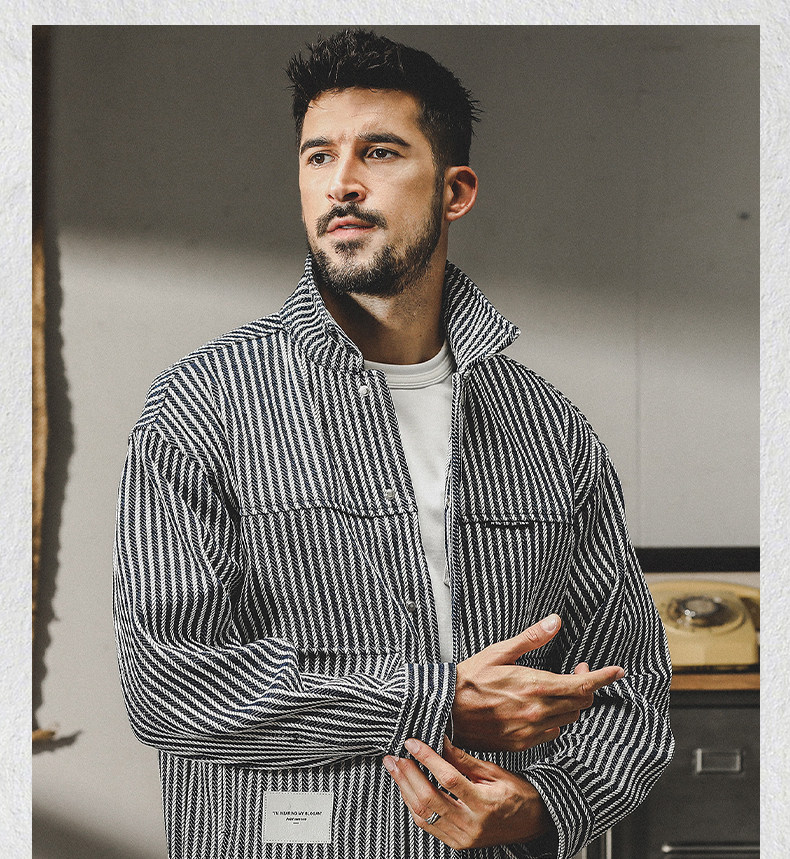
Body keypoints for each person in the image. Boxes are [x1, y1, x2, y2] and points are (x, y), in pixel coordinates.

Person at [113, 28, 673, 859]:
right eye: (317, 157)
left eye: (379, 152)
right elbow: (170, 684)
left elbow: (632, 694)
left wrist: (539, 808)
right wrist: (436, 700)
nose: (341, 182)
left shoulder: (548, 428)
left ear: (456, 190)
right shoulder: (203, 406)